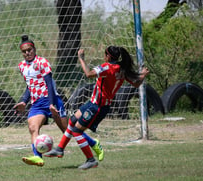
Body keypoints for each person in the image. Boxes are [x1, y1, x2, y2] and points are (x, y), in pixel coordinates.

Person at [44, 46, 150, 169]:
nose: (104, 56)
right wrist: (142, 75)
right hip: (94, 103)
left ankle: (91, 160)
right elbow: (136, 83)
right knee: (72, 121)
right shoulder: (122, 69)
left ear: (108, 56)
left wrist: (81, 58)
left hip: (97, 106)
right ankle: (60, 149)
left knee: (77, 131)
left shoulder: (106, 67)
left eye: (105, 54)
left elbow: (89, 74)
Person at [14, 35, 104, 167]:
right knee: (33, 128)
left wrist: (51, 104)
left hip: (52, 101)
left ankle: (93, 143)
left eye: (29, 50)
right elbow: (30, 86)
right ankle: (37, 157)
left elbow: (49, 84)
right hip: (37, 104)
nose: (27, 53)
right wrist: (23, 101)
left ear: (34, 49)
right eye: (24, 51)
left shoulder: (42, 62)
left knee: (69, 131)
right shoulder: (22, 66)